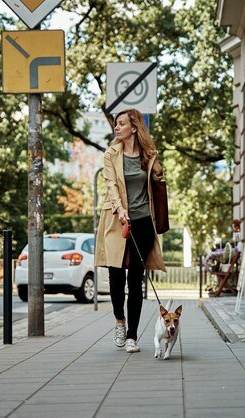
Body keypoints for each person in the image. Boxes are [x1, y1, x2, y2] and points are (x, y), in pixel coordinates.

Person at [95, 108, 166, 354]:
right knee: (116, 276)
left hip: (144, 221)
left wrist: (158, 175)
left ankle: (132, 336)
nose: (117, 127)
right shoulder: (111, 154)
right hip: (117, 221)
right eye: (116, 123)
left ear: (134, 127)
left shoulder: (150, 155)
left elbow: (156, 183)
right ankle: (119, 322)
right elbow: (111, 185)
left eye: (121, 123)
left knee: (135, 279)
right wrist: (120, 208)